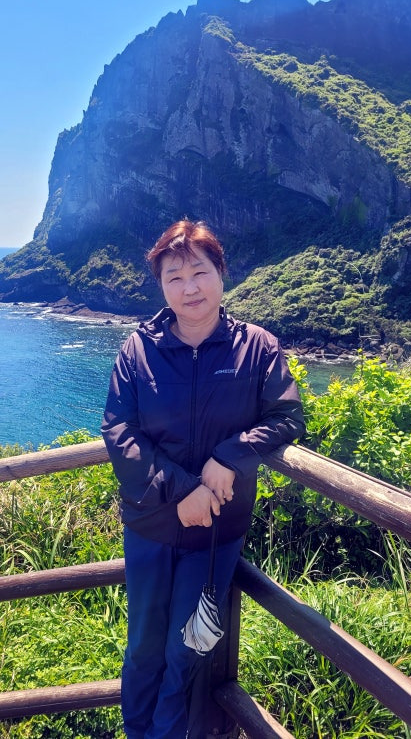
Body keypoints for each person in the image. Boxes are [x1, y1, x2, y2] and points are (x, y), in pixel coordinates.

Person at [101, 220, 305, 739]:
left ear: (221, 273)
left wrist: (230, 454)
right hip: (150, 525)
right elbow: (119, 431)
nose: (189, 288)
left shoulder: (256, 347)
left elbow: (287, 417)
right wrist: (184, 490)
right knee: (143, 647)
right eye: (174, 277)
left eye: (200, 272)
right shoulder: (137, 350)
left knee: (186, 649)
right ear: (161, 285)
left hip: (215, 532)